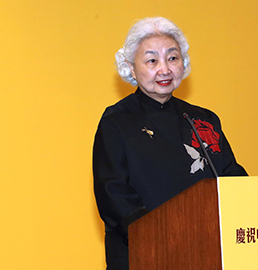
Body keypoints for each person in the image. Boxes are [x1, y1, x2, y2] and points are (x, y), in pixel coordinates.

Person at [93, 17, 247, 270]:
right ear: (132, 68)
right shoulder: (117, 121)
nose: (164, 69)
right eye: (152, 60)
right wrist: (159, 234)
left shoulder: (203, 119)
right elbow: (113, 192)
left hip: (206, 250)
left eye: (172, 58)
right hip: (146, 253)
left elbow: (230, 175)